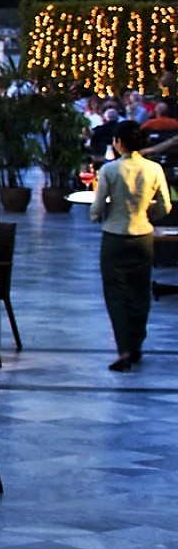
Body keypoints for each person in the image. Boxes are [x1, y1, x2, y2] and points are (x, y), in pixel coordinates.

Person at [91, 120, 175, 372]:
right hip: (143, 236)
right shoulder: (154, 169)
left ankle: (124, 348)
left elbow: (97, 208)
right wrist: (150, 214)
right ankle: (137, 342)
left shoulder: (109, 170)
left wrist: (97, 214)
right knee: (140, 292)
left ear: (118, 143)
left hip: (114, 237)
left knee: (116, 293)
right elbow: (166, 206)